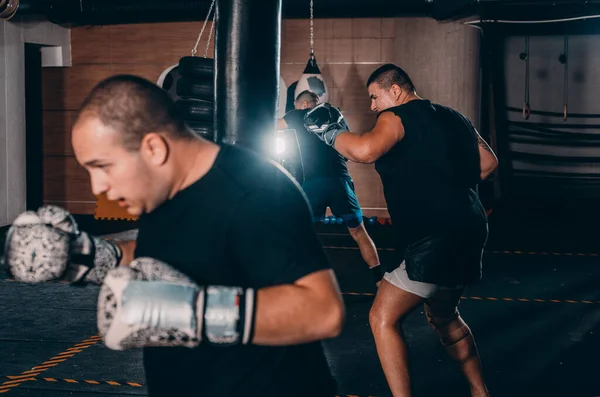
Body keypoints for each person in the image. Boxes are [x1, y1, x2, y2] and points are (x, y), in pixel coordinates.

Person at [4, 74, 345, 397]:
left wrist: (191, 313)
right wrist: (92, 255)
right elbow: (171, 248)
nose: (99, 186)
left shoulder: (257, 191)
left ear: (153, 148)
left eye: (103, 166)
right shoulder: (161, 191)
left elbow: (323, 311)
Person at [303, 63, 498, 397]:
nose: (373, 106)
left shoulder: (396, 117)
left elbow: (364, 150)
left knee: (382, 317)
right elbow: (488, 162)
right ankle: (480, 392)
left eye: (375, 97)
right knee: (444, 316)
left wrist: (330, 133)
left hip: (436, 235)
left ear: (395, 90)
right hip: (472, 226)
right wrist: (446, 184)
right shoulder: (458, 118)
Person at [277, 90, 384, 285]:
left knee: (299, 231)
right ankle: (379, 281)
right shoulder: (335, 114)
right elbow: (346, 147)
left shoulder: (297, 114)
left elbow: (270, 127)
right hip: (339, 180)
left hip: (312, 183)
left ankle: (298, 279)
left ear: (303, 104)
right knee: (359, 232)